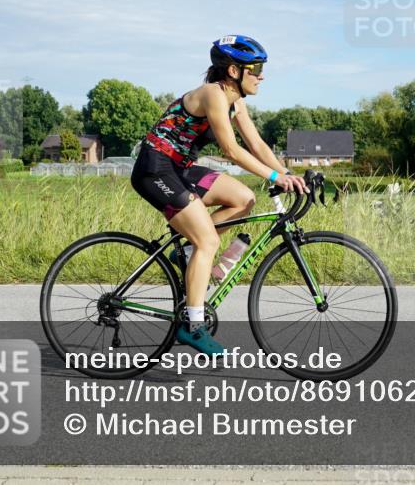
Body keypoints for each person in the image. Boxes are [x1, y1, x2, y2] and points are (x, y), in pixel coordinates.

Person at [130, 35, 307, 355]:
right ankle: (192, 326)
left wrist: (287, 175)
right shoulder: (214, 94)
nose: (262, 75)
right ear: (234, 71)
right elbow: (232, 150)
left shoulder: (235, 101)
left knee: (243, 199)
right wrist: (273, 177)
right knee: (209, 242)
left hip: (179, 169)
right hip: (154, 170)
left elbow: (257, 145)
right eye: (256, 69)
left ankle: (185, 251)